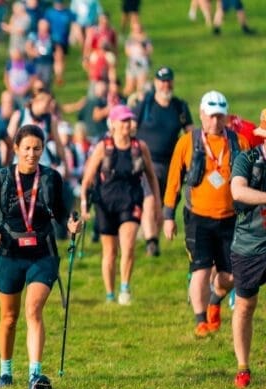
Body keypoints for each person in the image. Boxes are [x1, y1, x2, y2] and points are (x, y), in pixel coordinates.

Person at [0, 124, 81, 389]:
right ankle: (5, 370)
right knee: (9, 317)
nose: (32, 153)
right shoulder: (2, 178)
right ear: (16, 149)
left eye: (37, 148)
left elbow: (62, 214)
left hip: (42, 252)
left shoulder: (51, 178)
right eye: (26, 148)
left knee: (33, 310)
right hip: (9, 253)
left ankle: (35, 375)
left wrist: (71, 225)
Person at [162, 91, 249, 337]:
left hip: (230, 218)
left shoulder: (238, 142)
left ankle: (215, 300)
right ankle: (201, 320)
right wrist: (168, 216)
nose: (215, 122)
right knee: (200, 269)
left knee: (231, 275)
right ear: (201, 115)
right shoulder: (187, 142)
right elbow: (173, 181)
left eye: (220, 117)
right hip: (197, 218)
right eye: (210, 116)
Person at [80, 105, 161, 305]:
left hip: (131, 201)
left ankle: (124, 288)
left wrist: (157, 203)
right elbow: (87, 180)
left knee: (129, 246)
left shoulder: (139, 147)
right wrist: (83, 205)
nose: (128, 124)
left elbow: (151, 176)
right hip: (105, 203)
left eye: (129, 120)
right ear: (113, 124)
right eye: (123, 120)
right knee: (110, 252)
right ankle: (109, 293)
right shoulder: (103, 147)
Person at [132, 67, 193, 257]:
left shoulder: (179, 106)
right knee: (149, 198)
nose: (165, 85)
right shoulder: (145, 104)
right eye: (162, 81)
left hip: (172, 164)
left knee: (166, 203)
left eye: (168, 81)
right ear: (156, 83)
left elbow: (191, 134)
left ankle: (152, 237)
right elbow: (130, 127)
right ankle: (151, 240)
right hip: (146, 162)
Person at [229, 118, 266, 389]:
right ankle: (243, 367)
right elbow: (237, 190)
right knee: (245, 305)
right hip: (250, 245)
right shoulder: (247, 158)